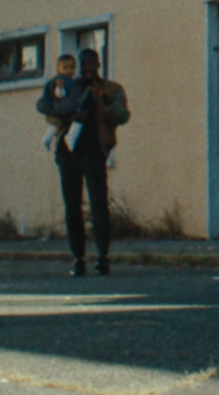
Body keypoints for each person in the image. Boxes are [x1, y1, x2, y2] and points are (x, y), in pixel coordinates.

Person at [42, 47, 130, 276]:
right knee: (72, 207)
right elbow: (50, 112)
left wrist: (104, 98)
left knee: (99, 204)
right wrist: (70, 112)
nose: (88, 69)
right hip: (68, 152)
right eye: (84, 65)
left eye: (92, 65)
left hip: (95, 152)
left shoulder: (112, 89)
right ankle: (78, 259)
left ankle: (103, 257)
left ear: (99, 65)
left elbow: (122, 116)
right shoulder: (69, 86)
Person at [38, 54, 80, 153]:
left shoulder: (69, 81)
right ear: (58, 69)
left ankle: (47, 138)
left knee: (54, 126)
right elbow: (60, 94)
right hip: (63, 107)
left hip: (57, 109)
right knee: (79, 118)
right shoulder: (62, 82)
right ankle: (71, 136)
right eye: (65, 68)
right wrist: (60, 88)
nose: (68, 70)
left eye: (71, 68)